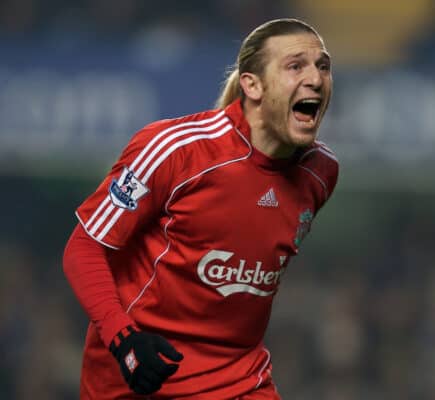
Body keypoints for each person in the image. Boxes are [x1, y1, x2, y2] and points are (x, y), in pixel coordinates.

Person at [62, 18, 339, 399]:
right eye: (296, 66)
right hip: (142, 373)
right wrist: (123, 338)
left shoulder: (321, 173)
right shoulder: (175, 150)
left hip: (239, 379)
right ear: (252, 85)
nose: (316, 78)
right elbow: (83, 248)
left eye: (322, 66)